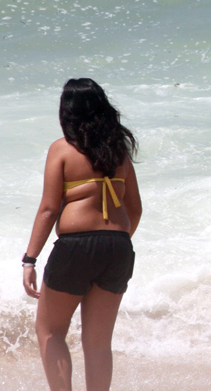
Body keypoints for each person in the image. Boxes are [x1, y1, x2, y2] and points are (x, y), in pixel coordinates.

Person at [22, 78, 142, 391]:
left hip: (75, 246)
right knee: (98, 343)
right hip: (118, 246)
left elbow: (49, 209)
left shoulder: (61, 149)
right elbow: (136, 210)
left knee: (50, 332)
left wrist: (29, 259)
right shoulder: (120, 154)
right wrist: (113, 243)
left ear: (67, 113)